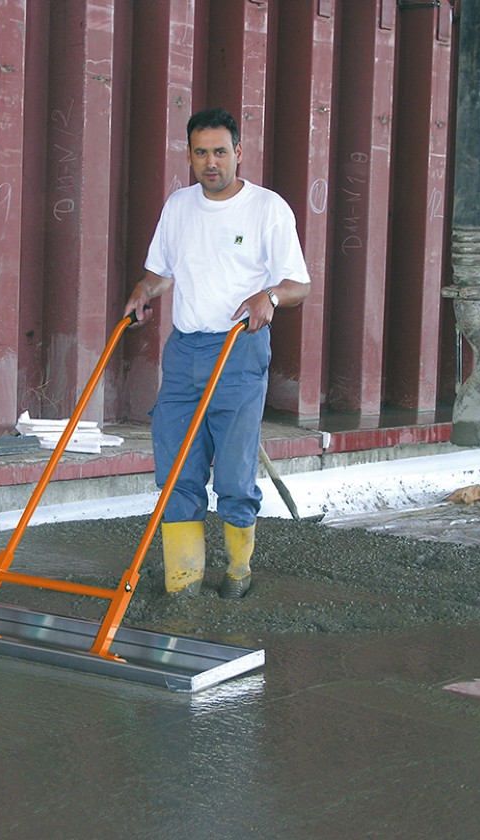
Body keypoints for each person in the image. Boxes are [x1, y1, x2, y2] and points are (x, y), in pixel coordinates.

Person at [122, 107, 311, 599]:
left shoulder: (268, 209)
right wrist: (144, 290)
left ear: (239, 153)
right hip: (184, 352)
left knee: (232, 471)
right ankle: (183, 584)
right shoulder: (179, 206)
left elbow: (297, 284)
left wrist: (267, 298)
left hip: (238, 350)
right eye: (201, 152)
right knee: (177, 468)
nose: (211, 162)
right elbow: (162, 272)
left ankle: (236, 575)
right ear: (189, 155)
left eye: (221, 152)